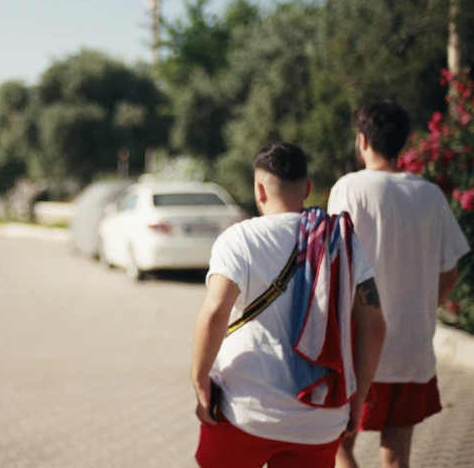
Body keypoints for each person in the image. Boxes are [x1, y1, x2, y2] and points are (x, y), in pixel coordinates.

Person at [191, 142, 387, 468]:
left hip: (245, 411)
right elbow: (375, 325)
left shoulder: (240, 238)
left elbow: (215, 312)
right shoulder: (341, 239)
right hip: (320, 419)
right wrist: (358, 398)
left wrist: (199, 381)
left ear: (259, 190)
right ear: (308, 188)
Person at [328, 101, 470, 468]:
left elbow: (332, 265)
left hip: (360, 347)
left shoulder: (350, 189)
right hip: (413, 347)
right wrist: (421, 309)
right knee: (396, 454)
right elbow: (450, 272)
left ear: (362, 140)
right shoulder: (430, 195)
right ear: (403, 143)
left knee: (338, 444)